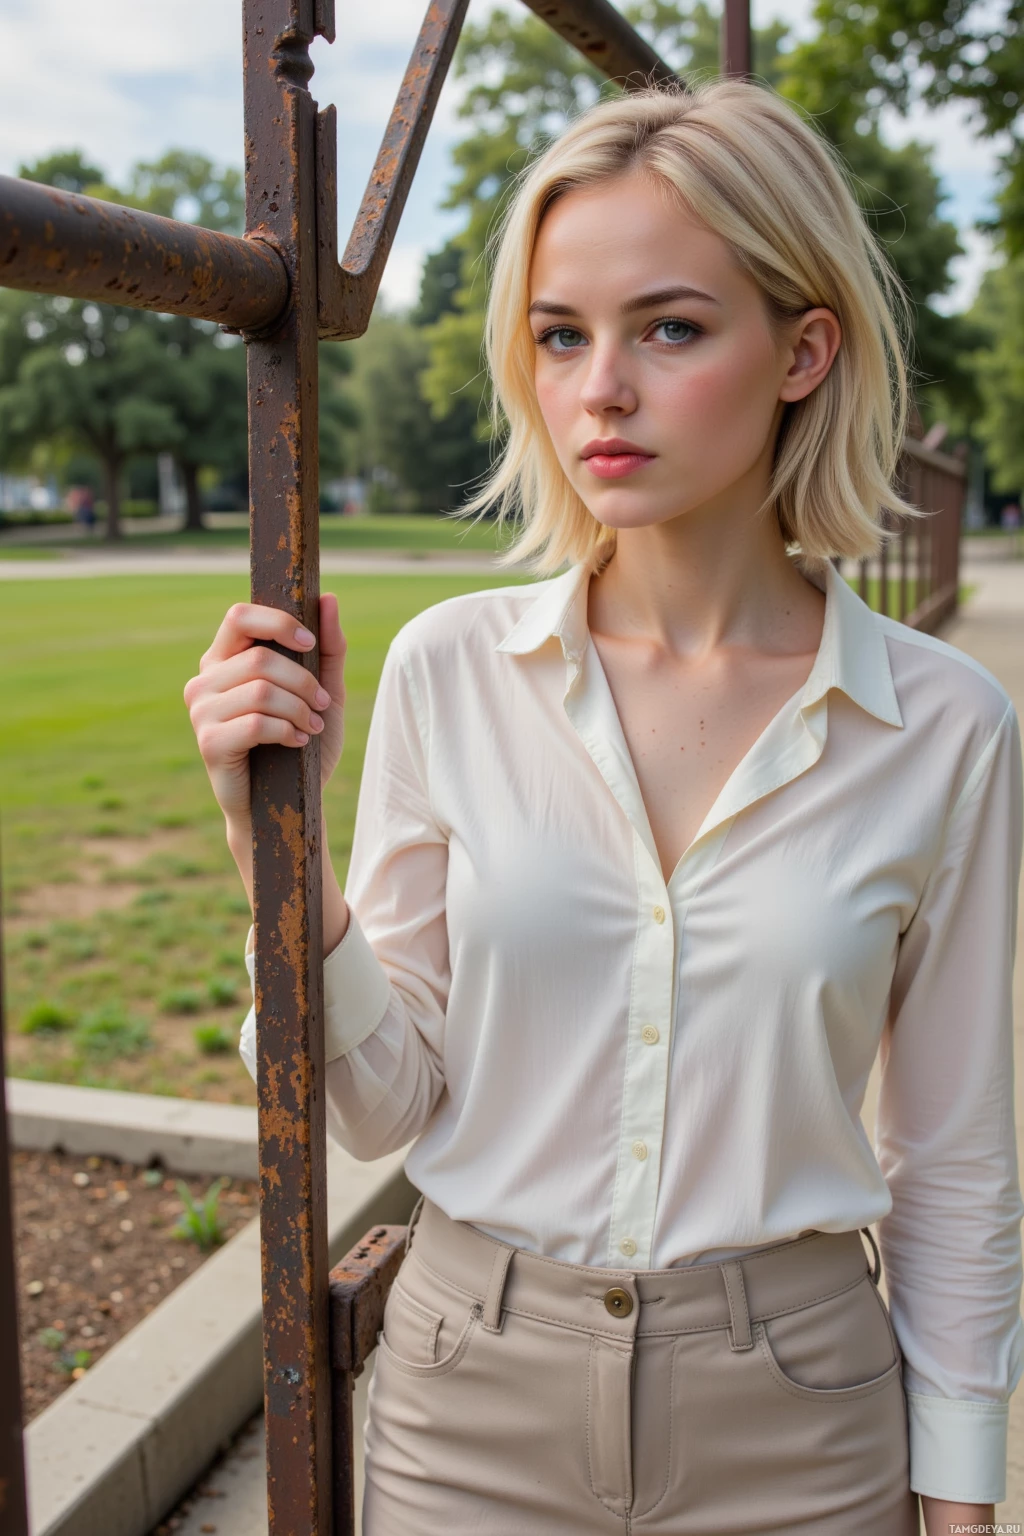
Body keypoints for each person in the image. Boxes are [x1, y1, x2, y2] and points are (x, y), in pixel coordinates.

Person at [184, 77, 1023, 1535]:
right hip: (470, 1403)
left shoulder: (945, 726)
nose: (600, 391)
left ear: (805, 350)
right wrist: (275, 840)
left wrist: (960, 1496)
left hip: (804, 1422)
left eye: (671, 328)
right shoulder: (457, 670)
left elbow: (953, 1155)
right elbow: (386, 1102)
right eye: (562, 335)